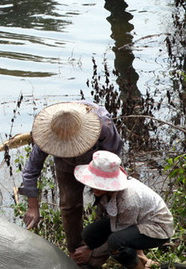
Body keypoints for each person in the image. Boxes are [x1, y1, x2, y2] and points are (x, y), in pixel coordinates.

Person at [19, 101, 123, 254]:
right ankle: (75, 252)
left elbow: (113, 158)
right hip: (66, 165)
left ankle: (101, 252)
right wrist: (33, 207)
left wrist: (102, 189)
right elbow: (31, 170)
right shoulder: (47, 133)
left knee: (107, 206)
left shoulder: (103, 125)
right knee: (69, 206)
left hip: (97, 163)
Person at [71, 151, 175, 269]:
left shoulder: (128, 200)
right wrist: (89, 247)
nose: (93, 187)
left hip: (156, 228)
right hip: (136, 221)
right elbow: (111, 222)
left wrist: (93, 255)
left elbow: (117, 236)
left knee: (117, 244)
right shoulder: (106, 193)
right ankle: (133, 265)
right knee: (90, 234)